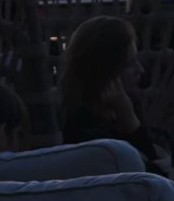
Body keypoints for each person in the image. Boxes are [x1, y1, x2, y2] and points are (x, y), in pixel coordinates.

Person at [59, 15, 159, 167]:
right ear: (105, 71)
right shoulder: (82, 126)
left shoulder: (128, 103)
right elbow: (150, 175)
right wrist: (130, 121)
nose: (140, 70)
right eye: (130, 64)